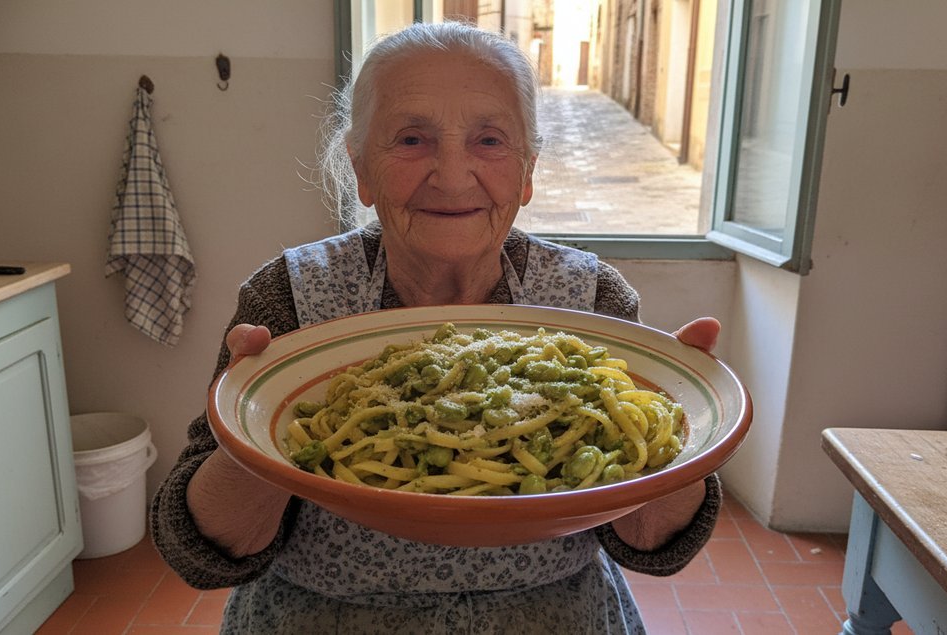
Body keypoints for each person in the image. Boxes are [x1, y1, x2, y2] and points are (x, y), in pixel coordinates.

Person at [151, 21, 723, 634]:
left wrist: (676, 435)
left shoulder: (593, 302)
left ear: (527, 171)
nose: (452, 176)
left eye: (490, 140)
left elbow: (652, 541)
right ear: (361, 169)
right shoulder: (286, 298)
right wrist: (252, 431)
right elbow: (202, 554)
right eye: (412, 139)